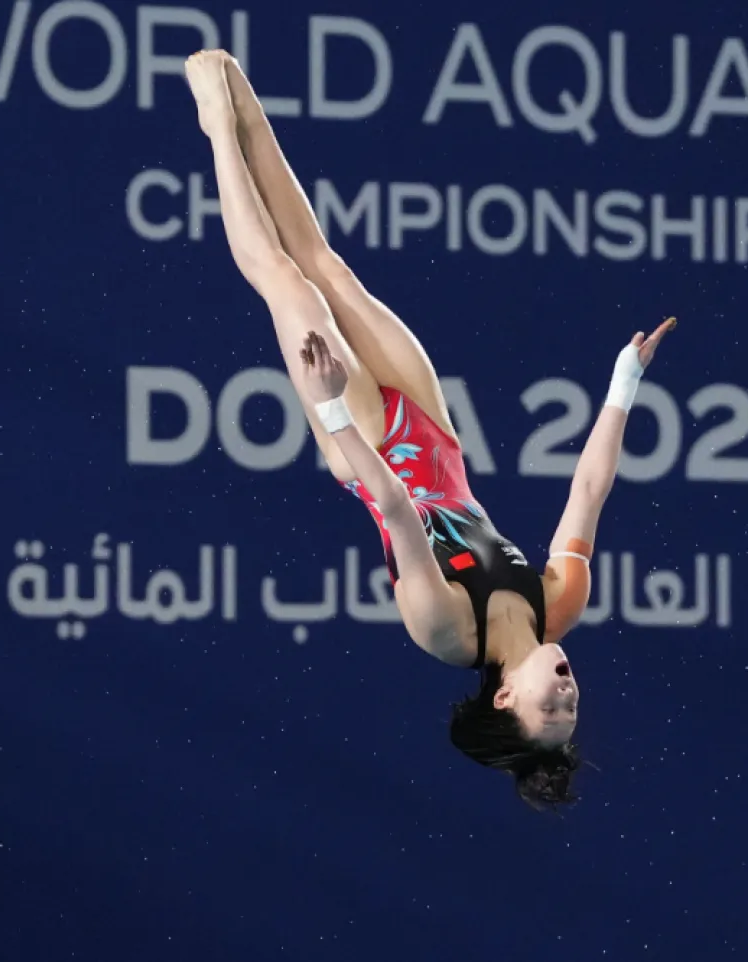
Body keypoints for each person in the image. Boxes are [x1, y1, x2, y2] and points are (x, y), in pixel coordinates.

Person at [184, 49, 675, 807]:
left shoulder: (446, 633)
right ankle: (245, 103)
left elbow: (398, 513)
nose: (569, 695)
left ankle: (217, 128)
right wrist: (625, 381)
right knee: (329, 266)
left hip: (373, 451)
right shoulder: (561, 604)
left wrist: (333, 408)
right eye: (574, 708)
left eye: (552, 707)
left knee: (287, 283)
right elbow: (589, 490)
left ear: (507, 699)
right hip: (434, 435)